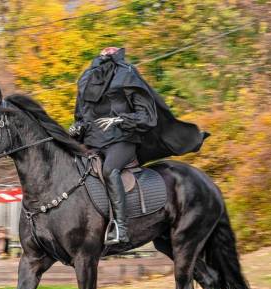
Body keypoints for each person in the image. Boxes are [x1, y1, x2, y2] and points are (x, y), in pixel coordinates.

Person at [70, 47, 209, 244]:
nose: (105, 54)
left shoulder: (127, 74)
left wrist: (118, 120)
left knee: (110, 170)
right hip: (93, 141)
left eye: (109, 52)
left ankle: (120, 226)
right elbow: (82, 116)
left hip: (123, 141)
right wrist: (77, 127)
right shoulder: (87, 79)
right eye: (103, 53)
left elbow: (146, 116)